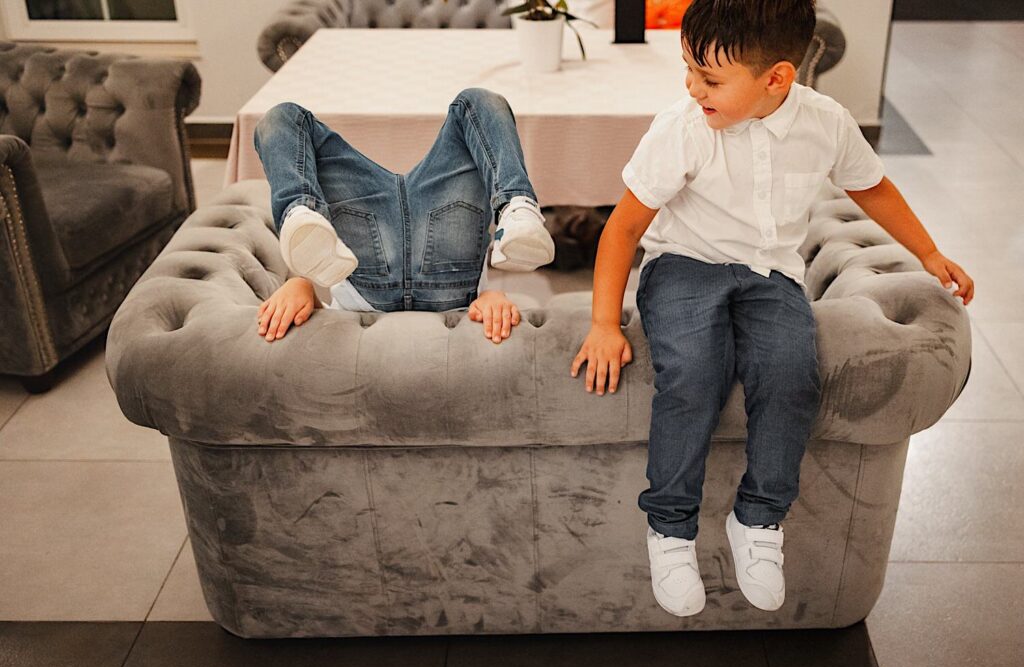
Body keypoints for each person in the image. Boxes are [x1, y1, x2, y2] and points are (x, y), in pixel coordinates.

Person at [571, 0, 974, 617]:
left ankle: (758, 519)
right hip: (684, 265)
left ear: (777, 78)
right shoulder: (682, 127)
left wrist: (929, 252)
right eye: (688, 69)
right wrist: (604, 323)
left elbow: (872, 187)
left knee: (791, 376)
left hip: (771, 275)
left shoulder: (826, 122)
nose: (692, 88)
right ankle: (670, 528)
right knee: (693, 375)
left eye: (709, 79)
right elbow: (623, 227)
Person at [252, 88, 555, 343]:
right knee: (478, 101)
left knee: (281, 118)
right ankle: (517, 205)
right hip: (453, 278)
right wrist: (489, 297)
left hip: (362, 263)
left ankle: (300, 210)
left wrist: (301, 285)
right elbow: (487, 305)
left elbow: (323, 314)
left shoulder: (349, 335)